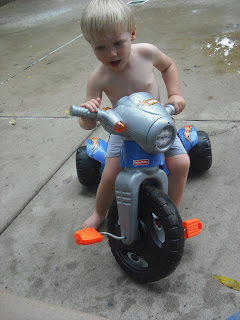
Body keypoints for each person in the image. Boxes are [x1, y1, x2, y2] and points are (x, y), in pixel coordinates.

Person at [78, 0, 190, 229]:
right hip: (124, 131)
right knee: (110, 175)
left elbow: (168, 66)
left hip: (158, 126)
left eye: (118, 43)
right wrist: (89, 114)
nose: (111, 53)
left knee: (181, 163)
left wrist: (175, 94)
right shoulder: (98, 78)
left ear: (132, 34)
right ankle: (100, 213)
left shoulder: (147, 53)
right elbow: (87, 123)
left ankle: (170, 213)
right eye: (100, 47)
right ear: (90, 45)